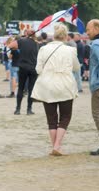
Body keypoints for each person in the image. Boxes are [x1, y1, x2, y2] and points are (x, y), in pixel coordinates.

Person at [32, 23, 80, 156]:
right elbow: (76, 68)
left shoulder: (43, 49)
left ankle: (55, 146)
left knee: (51, 118)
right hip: (65, 85)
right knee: (65, 116)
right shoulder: (70, 50)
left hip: (47, 85)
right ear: (65, 36)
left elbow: (38, 69)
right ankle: (58, 145)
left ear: (54, 35)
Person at [85, 19, 99, 156]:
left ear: (97, 28)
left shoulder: (97, 43)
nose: (87, 33)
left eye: (88, 29)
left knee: (98, 114)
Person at [10, 30, 38, 115]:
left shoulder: (22, 41)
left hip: (23, 67)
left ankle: (18, 109)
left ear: (26, 34)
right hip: (33, 67)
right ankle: (29, 109)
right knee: (31, 89)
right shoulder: (36, 43)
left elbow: (10, 45)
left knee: (21, 88)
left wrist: (18, 45)